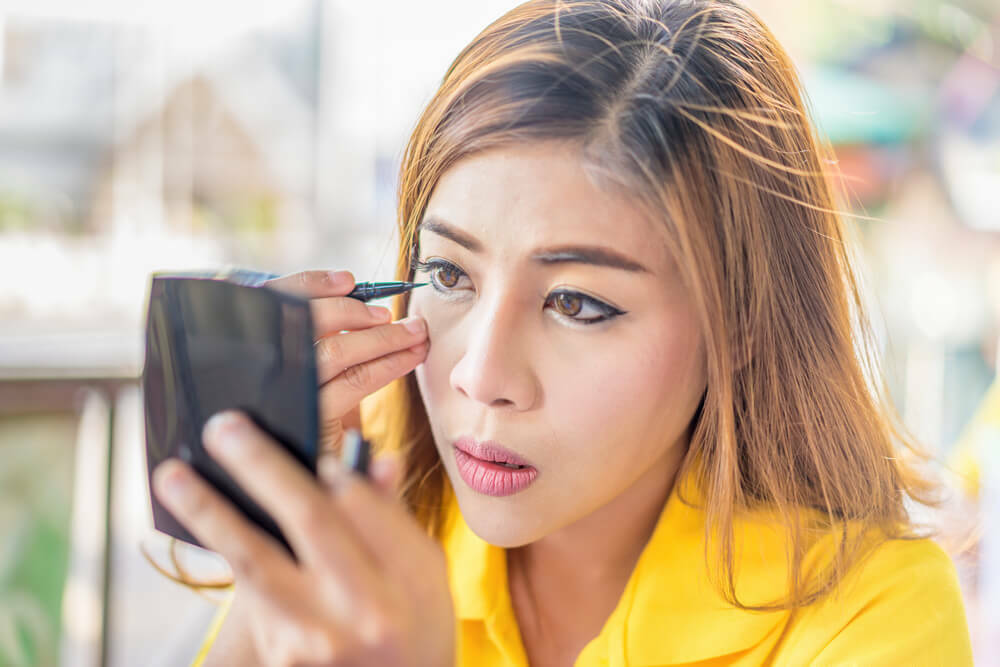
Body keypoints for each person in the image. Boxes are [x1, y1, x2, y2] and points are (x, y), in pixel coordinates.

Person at [151, 0, 975, 664]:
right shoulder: (364, 545)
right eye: (448, 275)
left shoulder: (872, 616)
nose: (481, 373)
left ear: (742, 329)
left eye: (577, 302)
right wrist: (276, 555)